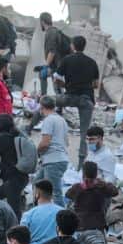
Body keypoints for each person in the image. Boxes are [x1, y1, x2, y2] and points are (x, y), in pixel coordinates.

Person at [44, 35, 98, 166]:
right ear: (84, 46)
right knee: (84, 133)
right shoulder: (92, 62)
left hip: (69, 97)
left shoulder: (67, 60)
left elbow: (56, 78)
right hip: (86, 100)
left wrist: (65, 86)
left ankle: (28, 127)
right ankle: (80, 165)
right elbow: (95, 85)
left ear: (73, 46)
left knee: (45, 102)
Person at [66, 161, 119, 244]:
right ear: (96, 174)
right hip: (95, 231)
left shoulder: (77, 188)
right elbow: (114, 191)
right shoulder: (101, 188)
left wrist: (82, 185)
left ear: (83, 174)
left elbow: (68, 195)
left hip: (78, 231)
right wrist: (99, 183)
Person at [34, 96, 69, 207]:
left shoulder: (48, 120)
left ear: (42, 107)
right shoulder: (61, 119)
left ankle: (63, 218)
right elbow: (66, 141)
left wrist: (35, 151)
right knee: (37, 183)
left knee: (55, 193)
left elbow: (45, 143)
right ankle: (39, 209)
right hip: (58, 159)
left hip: (53, 161)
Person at [21, 180, 63, 244]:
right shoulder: (63, 212)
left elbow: (21, 238)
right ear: (51, 193)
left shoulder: (28, 215)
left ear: (37, 194)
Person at [38, 12, 70, 95]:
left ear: (42, 22)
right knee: (57, 86)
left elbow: (52, 51)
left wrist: (46, 66)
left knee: (55, 85)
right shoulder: (55, 31)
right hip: (58, 63)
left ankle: (44, 98)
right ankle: (56, 102)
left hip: (56, 65)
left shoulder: (51, 32)